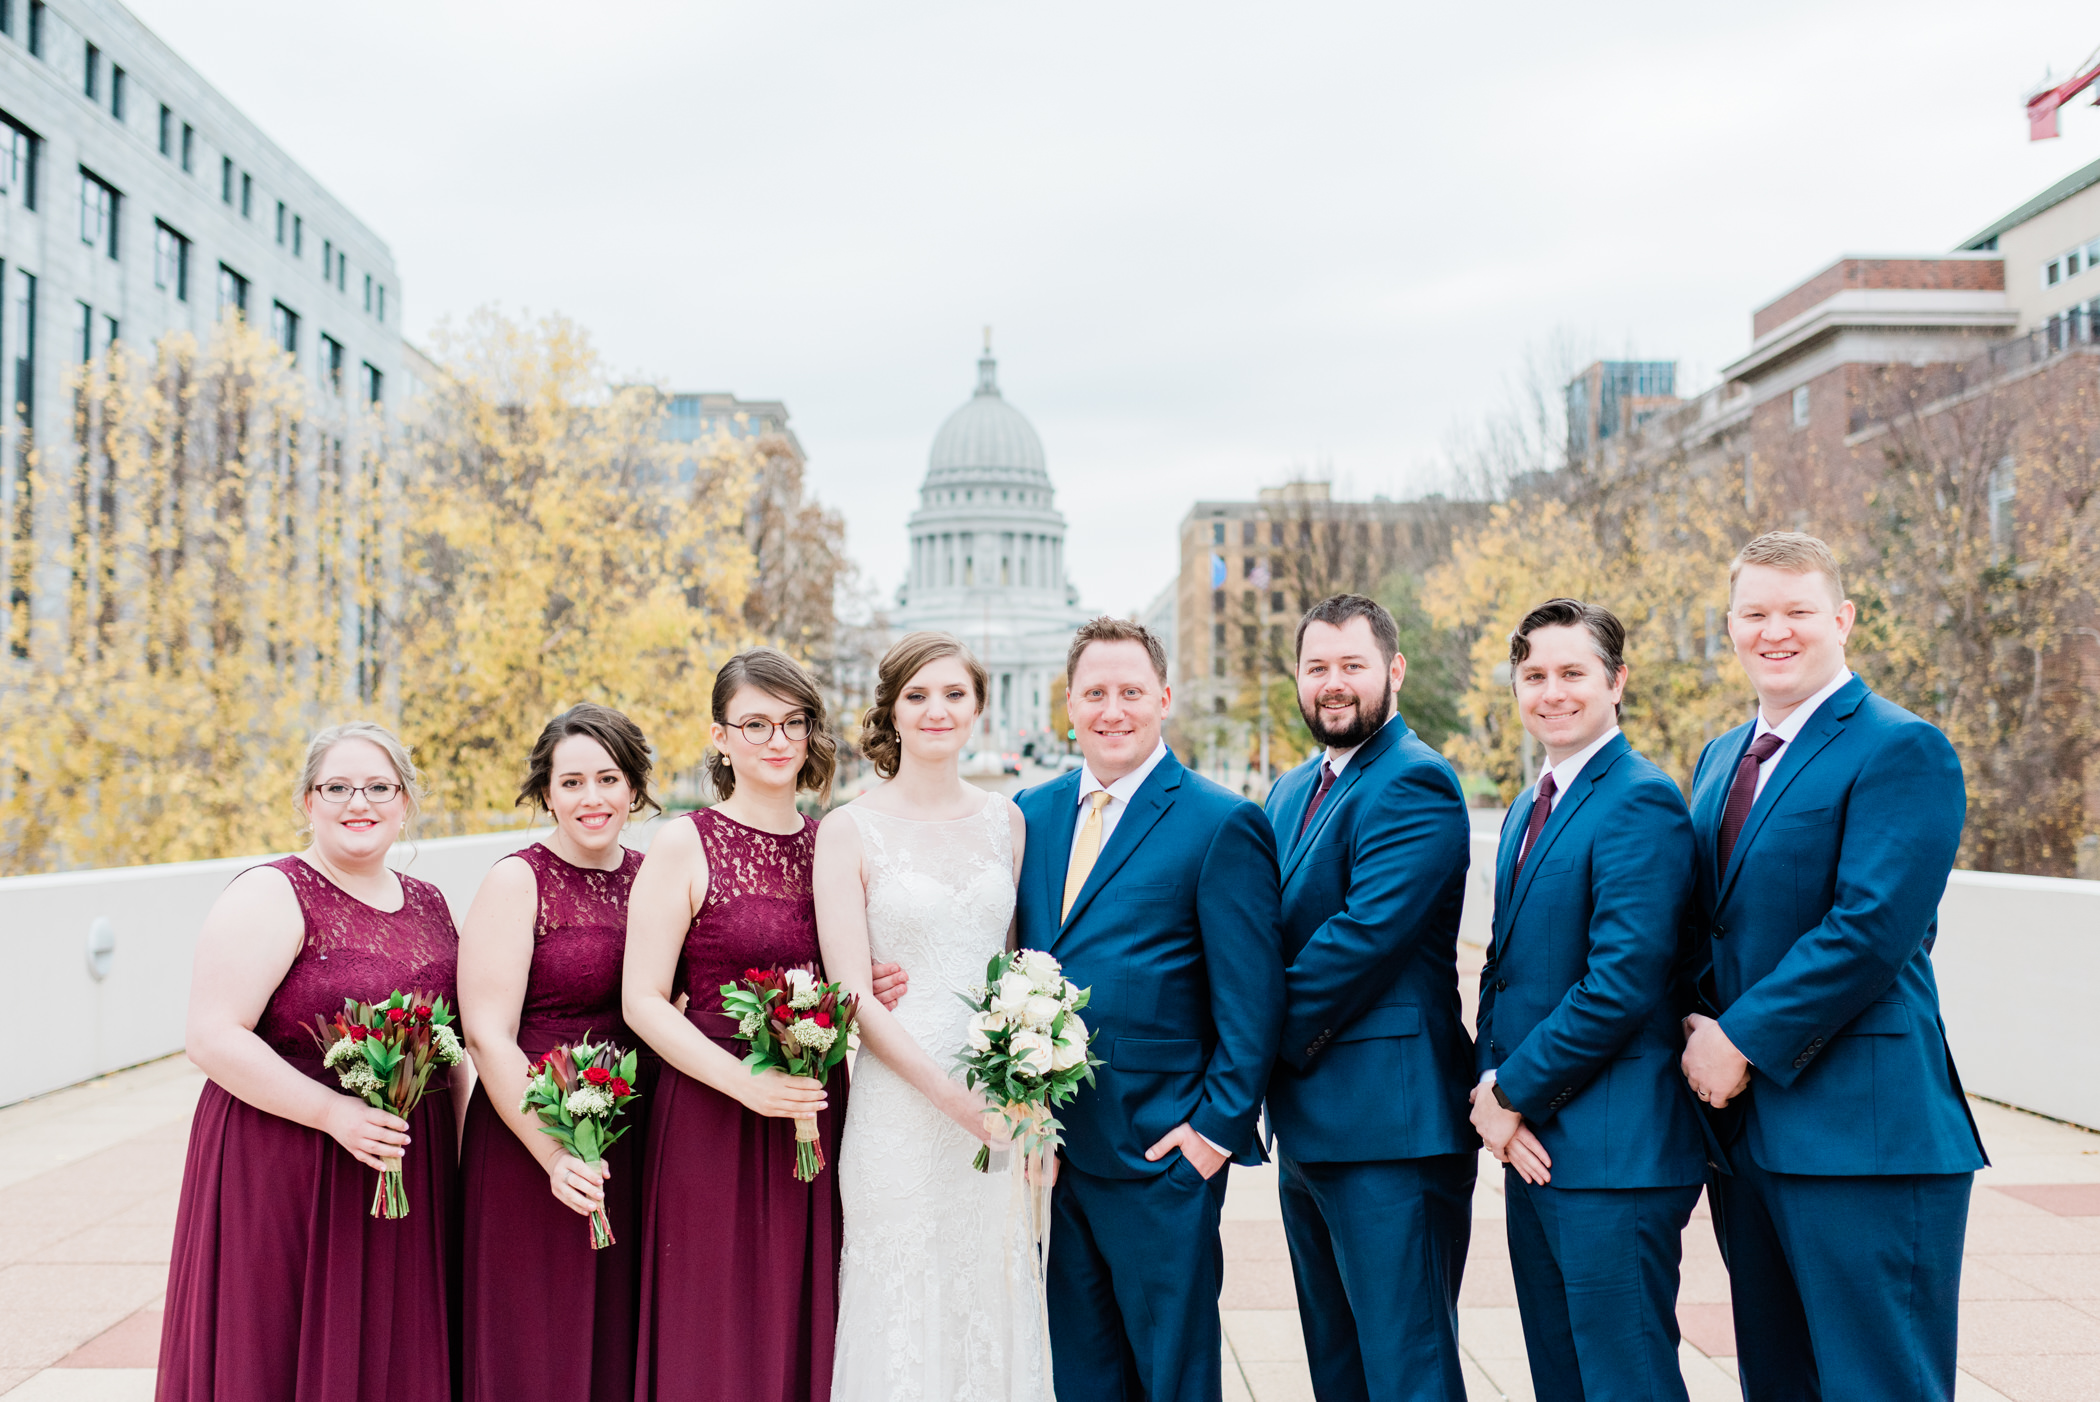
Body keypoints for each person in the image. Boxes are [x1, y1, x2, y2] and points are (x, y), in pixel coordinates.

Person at [1681, 531, 1986, 1402]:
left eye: (1798, 611)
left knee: (1877, 1387)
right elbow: (1710, 923)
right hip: (1749, 1138)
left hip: (1868, 1135)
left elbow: (1868, 931)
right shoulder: (1718, 760)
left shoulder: (1902, 748)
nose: (1775, 631)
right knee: (1778, 1385)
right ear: (1732, 627)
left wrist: (1737, 1039)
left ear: (1842, 619)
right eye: (1755, 613)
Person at [1012, 616, 1284, 1402]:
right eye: (1095, 693)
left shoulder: (1219, 821)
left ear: (1164, 698)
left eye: (1131, 692)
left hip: (1162, 1157)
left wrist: (1212, 1136)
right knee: (1085, 1379)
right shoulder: (1033, 813)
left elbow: (1253, 999)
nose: (1113, 710)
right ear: (1069, 705)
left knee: (1173, 1379)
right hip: (1057, 1158)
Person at [623, 648, 904, 1402]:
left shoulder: (836, 842)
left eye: (793, 722)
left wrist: (878, 980)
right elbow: (642, 998)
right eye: (755, 724)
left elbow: (847, 970)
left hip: (816, 1109)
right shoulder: (686, 843)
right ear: (720, 738)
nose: (777, 740)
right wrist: (747, 1085)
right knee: (714, 1318)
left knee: (809, 1306)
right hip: (714, 1110)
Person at [157, 721, 462, 1402]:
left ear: (405, 800)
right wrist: (333, 1113)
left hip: (408, 1165)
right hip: (287, 1160)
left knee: (392, 1351)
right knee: (278, 1346)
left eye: (380, 786)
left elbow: (455, 1040)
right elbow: (210, 1035)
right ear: (307, 802)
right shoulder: (271, 892)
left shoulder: (432, 904)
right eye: (338, 787)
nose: (361, 802)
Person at [1468, 599, 1705, 1402]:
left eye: (1573, 673)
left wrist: (1508, 1091)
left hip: (1616, 1153)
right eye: (1533, 675)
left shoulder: (1639, 798)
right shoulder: (1534, 803)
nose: (1551, 692)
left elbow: (1622, 984)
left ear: (1617, 682)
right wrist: (1492, 1098)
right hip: (1539, 1147)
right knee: (1563, 1380)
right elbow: (1504, 970)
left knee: (1625, 1381)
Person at [816, 631, 1049, 1401]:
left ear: (979, 707)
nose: (936, 710)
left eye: (953, 694)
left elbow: (1022, 972)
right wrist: (956, 1100)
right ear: (892, 710)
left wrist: (1018, 1097)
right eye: (917, 695)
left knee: (991, 1289)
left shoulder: (1008, 823)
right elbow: (851, 993)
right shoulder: (849, 830)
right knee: (902, 1303)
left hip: (998, 1112)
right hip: (898, 1110)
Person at [1261, 594, 1474, 1402]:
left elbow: (1358, 943)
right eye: (1318, 667)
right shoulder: (1290, 791)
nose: (1334, 684)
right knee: (1339, 1369)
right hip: (1311, 1129)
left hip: (1394, 1134)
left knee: (1407, 1369)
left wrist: (1248, 1040)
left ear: (1394, 669)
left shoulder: (1416, 782)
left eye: (1352, 665)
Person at [456, 703, 656, 1402]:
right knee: (536, 1338)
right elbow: (486, 1031)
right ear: (546, 792)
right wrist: (555, 1152)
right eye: (571, 782)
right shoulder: (519, 880)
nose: (592, 798)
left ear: (635, 786)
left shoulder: (654, 877)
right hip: (527, 1136)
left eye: (608, 778)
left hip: (630, 1138)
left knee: (617, 1336)